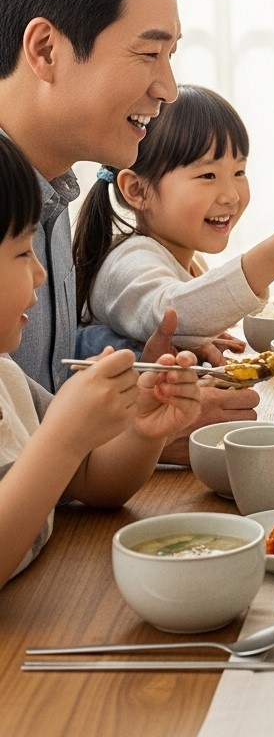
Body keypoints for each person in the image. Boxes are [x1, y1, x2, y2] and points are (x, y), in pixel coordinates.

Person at [0, 0, 260, 463]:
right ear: (46, 49)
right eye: (148, 53)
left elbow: (33, 388)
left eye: (171, 55)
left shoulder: (53, 189)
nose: (168, 88)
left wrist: (139, 380)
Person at [0, 133, 201, 586]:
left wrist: (143, 429)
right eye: (20, 252)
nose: (40, 272)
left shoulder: (6, 378)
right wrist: (63, 439)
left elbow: (95, 480)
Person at [73, 85, 274, 356]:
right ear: (137, 190)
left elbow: (185, 324)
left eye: (239, 172)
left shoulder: (186, 258)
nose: (231, 195)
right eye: (208, 176)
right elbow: (174, 319)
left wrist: (200, 339)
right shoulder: (130, 259)